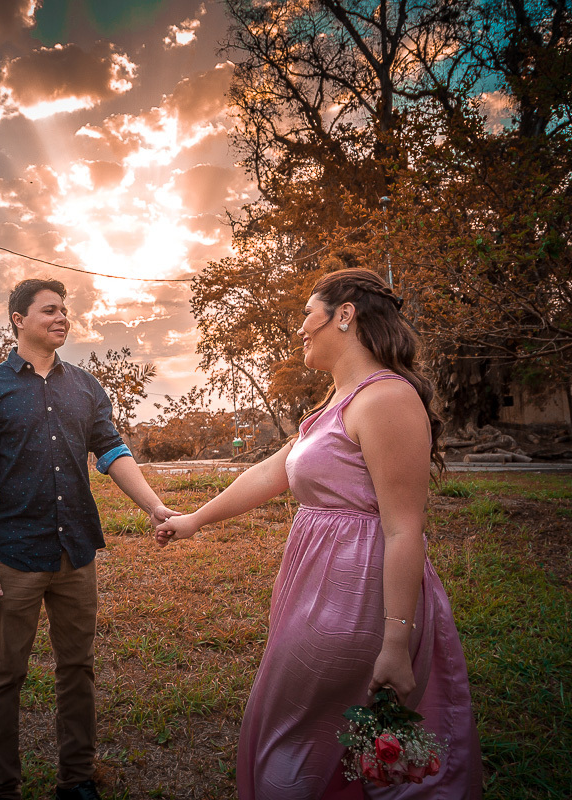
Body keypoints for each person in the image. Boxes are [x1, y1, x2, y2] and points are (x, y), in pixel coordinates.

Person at [156, 268, 482, 799]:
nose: (301, 329)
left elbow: (404, 529)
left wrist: (396, 640)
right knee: (314, 743)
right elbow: (269, 472)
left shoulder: (386, 399)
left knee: (298, 748)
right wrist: (193, 520)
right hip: (315, 589)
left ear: (345, 315)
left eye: (309, 314)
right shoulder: (334, 403)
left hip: (356, 598)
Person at [0, 278, 175, 800]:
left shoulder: (87, 387)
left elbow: (112, 453)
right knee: (6, 675)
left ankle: (76, 779)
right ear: (18, 320)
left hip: (76, 554)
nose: (61, 318)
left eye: (65, 310)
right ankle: (1, 784)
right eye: (49, 310)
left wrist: (155, 506)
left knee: (78, 668)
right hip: (14, 557)